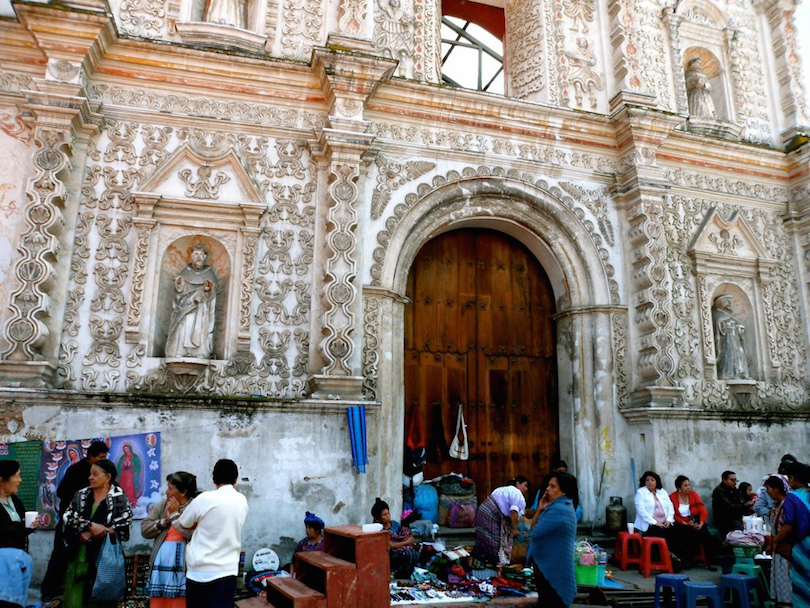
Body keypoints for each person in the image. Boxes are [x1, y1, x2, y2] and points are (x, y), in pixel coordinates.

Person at [41, 440, 109, 602]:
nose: (102, 461)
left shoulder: (103, 473)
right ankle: (49, 591)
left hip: (91, 523)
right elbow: (62, 492)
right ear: (90, 457)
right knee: (61, 554)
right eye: (100, 457)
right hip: (70, 520)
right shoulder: (75, 471)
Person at [175, 459, 249, 608]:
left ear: (213, 479)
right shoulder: (242, 500)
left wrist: (173, 514)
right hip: (227, 570)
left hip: (199, 571)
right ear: (236, 479)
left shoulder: (204, 499)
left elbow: (183, 523)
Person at [61, 459, 133, 608]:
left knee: (102, 597)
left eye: (95, 474)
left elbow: (124, 521)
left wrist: (96, 533)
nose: (90, 478)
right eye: (90, 474)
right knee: (76, 597)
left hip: (104, 556)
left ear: (107, 477)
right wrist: (89, 525)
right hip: (80, 553)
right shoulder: (81, 495)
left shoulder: (118, 497)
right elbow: (67, 517)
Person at [141, 472, 199, 608]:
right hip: (160, 565)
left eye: (171, 488)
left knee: (180, 601)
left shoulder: (196, 507)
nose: (167, 492)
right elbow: (145, 529)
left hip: (183, 567)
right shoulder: (163, 505)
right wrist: (164, 522)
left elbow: (195, 535)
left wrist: (175, 516)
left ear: (183, 492)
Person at [526, 472, 578, 607]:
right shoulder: (556, 507)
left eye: (553, 486)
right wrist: (540, 509)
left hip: (554, 568)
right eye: (548, 485)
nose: (547, 489)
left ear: (564, 491)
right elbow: (534, 528)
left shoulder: (560, 509)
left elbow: (535, 532)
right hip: (548, 568)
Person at [165, 244, 218, 359]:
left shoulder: (209, 273)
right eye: (196, 254)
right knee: (184, 329)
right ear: (192, 256)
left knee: (200, 329)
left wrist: (209, 289)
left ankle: (199, 352)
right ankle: (180, 351)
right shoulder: (185, 272)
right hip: (186, 307)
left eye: (200, 254)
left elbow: (212, 292)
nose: (198, 257)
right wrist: (179, 284)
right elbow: (179, 291)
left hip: (201, 307)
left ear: (204, 257)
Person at [770, 461, 810, 608]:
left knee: (801, 582)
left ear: (793, 478)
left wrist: (775, 541)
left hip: (802, 545)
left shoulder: (792, 497)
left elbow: (788, 526)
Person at [1, 460, 39, 607]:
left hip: (19, 559)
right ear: (2, 480)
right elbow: (4, 530)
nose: (20, 481)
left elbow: (19, 527)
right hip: (3, 564)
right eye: (16, 476)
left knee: (18, 599)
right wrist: (23, 528)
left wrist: (31, 525)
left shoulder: (15, 501)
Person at [472, 476, 529, 566]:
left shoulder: (504, 489)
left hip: (483, 510)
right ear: (518, 484)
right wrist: (515, 529)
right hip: (491, 514)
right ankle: (493, 566)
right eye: (525, 485)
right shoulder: (516, 493)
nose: (526, 489)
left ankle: (483, 562)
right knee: (494, 542)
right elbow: (514, 511)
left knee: (484, 539)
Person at [634, 471, 683, 567]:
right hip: (649, 524)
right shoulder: (641, 493)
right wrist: (655, 522)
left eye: (652, 480)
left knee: (676, 532)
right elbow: (641, 511)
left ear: (657, 482)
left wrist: (669, 520)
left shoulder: (662, 492)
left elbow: (670, 507)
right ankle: (665, 559)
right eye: (647, 480)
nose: (650, 482)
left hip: (664, 523)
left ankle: (676, 559)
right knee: (661, 533)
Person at [669, 475, 717, 570]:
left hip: (695, 520)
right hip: (681, 523)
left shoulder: (693, 495)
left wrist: (701, 523)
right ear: (679, 487)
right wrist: (685, 523)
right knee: (686, 534)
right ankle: (687, 560)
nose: (688, 487)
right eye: (685, 485)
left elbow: (702, 510)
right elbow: (672, 514)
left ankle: (709, 561)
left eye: (689, 485)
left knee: (705, 534)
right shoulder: (672, 497)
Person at [371, 498, 419, 579]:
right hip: (391, 552)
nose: (387, 516)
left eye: (388, 513)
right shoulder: (379, 529)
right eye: (384, 515)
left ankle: (407, 576)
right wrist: (406, 542)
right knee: (405, 554)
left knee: (414, 553)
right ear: (379, 518)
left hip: (401, 547)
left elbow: (404, 534)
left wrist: (407, 540)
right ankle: (398, 576)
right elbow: (390, 545)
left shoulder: (395, 524)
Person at [764, 475, 792, 608]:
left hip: (785, 549)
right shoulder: (775, 506)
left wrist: (775, 542)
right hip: (777, 549)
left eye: (768, 488)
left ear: (776, 489)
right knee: (778, 580)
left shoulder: (787, 505)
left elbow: (787, 528)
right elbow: (774, 528)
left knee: (785, 580)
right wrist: (771, 543)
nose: (767, 491)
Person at [712, 294, 749, 379]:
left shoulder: (729, 315)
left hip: (734, 340)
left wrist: (739, 328)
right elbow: (718, 325)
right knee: (728, 356)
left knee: (738, 355)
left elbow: (736, 323)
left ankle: (740, 373)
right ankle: (727, 374)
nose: (729, 303)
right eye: (726, 301)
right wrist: (725, 325)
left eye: (729, 301)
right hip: (726, 341)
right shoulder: (717, 314)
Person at [712, 470, 754, 538]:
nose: (735, 483)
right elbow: (728, 507)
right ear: (724, 480)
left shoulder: (734, 490)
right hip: (724, 519)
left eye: (736, 480)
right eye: (732, 480)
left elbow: (740, 501)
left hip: (736, 517)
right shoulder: (719, 491)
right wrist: (744, 505)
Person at [117, 442, 142, 507]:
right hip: (124, 475)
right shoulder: (122, 457)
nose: (126, 450)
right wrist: (124, 464)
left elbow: (137, 466)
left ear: (130, 449)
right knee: (124, 487)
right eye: (124, 449)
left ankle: (131, 499)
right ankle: (124, 500)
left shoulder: (135, 457)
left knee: (130, 487)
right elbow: (119, 466)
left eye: (127, 449)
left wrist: (131, 464)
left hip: (131, 475)